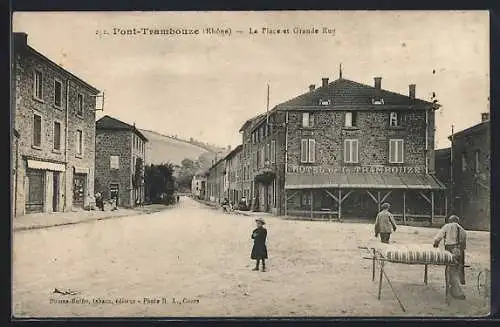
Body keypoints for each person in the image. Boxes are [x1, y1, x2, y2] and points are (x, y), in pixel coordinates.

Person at [433, 215, 467, 300]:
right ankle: (454, 288)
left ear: (450, 220)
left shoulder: (447, 226)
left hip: (450, 249)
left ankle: (456, 292)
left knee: (450, 270)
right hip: (459, 250)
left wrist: (435, 244)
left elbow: (438, 237)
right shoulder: (462, 229)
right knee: (457, 269)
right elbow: (464, 243)